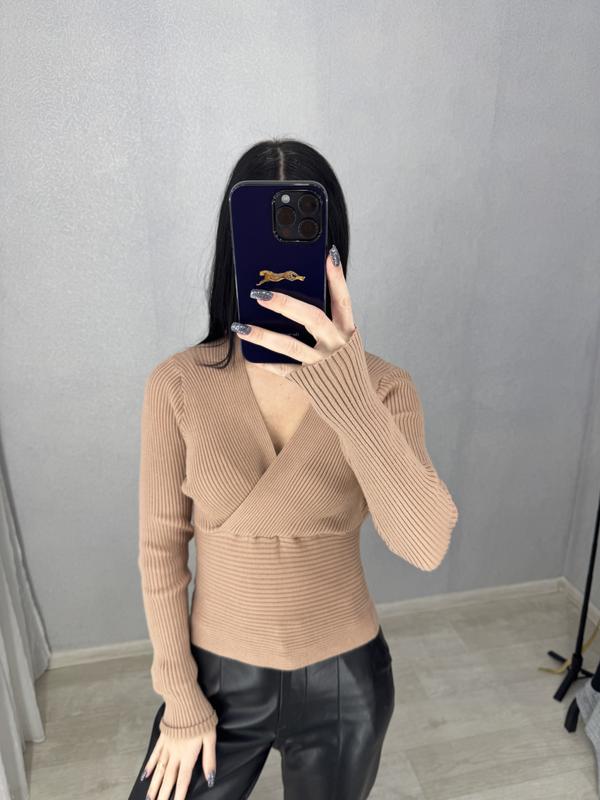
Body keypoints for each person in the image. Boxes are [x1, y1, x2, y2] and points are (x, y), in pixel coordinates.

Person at [128, 139, 459, 800]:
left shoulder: (384, 389)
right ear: (236, 250)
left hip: (344, 683)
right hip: (217, 681)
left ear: (331, 259)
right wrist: (180, 698)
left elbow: (425, 546)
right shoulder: (177, 384)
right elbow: (160, 551)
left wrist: (349, 396)